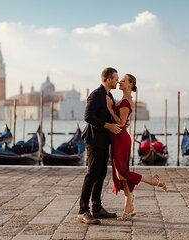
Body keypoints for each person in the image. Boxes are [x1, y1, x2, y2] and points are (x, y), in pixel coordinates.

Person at [106, 74, 167, 221]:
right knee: (122, 173)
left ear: (130, 84)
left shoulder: (126, 102)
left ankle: (150, 180)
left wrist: (109, 109)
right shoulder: (125, 100)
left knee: (121, 173)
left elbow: (121, 122)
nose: (120, 82)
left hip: (121, 139)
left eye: (123, 80)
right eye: (119, 79)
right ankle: (129, 207)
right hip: (119, 138)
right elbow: (123, 121)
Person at [77, 67, 122, 225]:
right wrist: (108, 126)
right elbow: (88, 116)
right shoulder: (96, 95)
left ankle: (96, 208)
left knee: (101, 173)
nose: (117, 81)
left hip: (103, 141)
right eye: (116, 79)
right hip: (94, 140)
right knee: (92, 175)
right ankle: (83, 211)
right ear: (108, 79)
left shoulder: (109, 95)